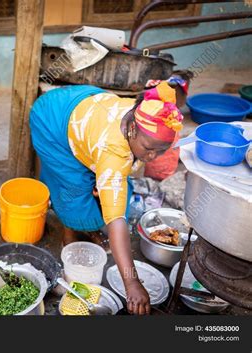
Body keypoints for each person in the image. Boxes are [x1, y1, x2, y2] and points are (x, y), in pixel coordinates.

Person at [30, 80, 185, 315]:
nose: (153, 156)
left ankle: (84, 226)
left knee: (110, 189)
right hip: (52, 121)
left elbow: (116, 177)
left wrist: (104, 178)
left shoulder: (139, 114)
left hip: (82, 106)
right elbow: (117, 220)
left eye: (161, 150)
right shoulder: (113, 152)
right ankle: (69, 234)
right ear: (132, 129)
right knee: (74, 190)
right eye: (149, 148)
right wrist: (131, 283)